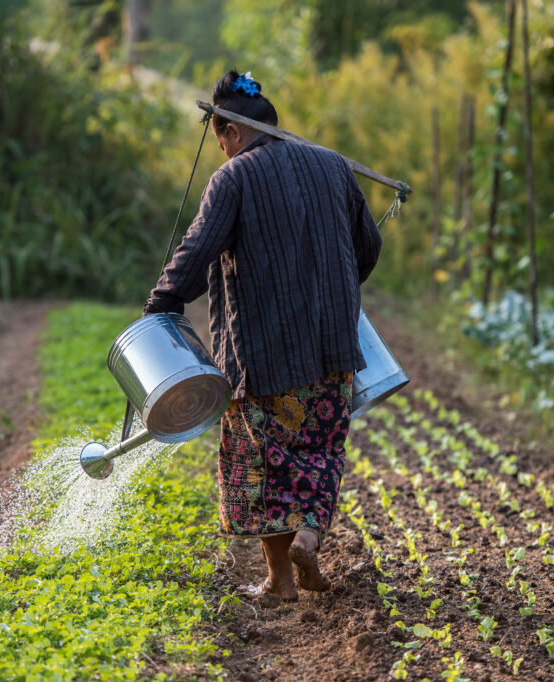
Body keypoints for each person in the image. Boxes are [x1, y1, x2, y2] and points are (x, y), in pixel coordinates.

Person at [143, 70, 382, 601]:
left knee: (263, 464)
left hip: (262, 357)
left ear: (230, 131)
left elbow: (194, 254)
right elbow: (368, 247)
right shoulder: (333, 167)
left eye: (218, 139)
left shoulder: (233, 179)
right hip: (332, 350)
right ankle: (311, 534)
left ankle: (278, 582)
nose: (220, 150)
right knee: (321, 450)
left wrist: (160, 306)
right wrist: (332, 292)